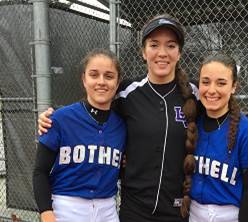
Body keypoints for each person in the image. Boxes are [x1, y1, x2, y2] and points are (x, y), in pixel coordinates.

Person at [37, 14, 198, 222]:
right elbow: (94, 107)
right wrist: (51, 117)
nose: (162, 53)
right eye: (154, 44)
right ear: (143, 51)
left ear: (179, 53)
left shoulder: (196, 93)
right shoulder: (126, 92)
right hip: (134, 210)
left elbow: (221, 111)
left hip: (178, 209)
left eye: (171, 45)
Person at [33, 48, 126, 222]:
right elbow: (40, 171)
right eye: (94, 75)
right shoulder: (60, 118)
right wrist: (46, 213)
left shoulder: (122, 124)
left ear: (118, 82)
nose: (101, 82)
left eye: (109, 76)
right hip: (66, 206)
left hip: (107, 208)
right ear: (84, 79)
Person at [189, 53, 248, 222]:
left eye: (221, 83)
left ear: (234, 86)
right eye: (205, 82)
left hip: (230, 216)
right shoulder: (192, 123)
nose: (211, 90)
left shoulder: (246, 130)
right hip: (192, 213)